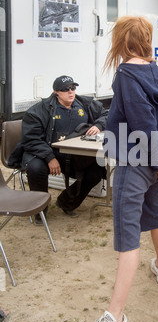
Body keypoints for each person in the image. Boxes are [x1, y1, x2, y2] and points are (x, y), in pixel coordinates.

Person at [76, 16, 158, 322]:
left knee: (127, 237)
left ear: (121, 40)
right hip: (150, 163)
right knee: (156, 215)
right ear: (147, 39)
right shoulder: (157, 71)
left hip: (135, 163)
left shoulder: (126, 74)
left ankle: (115, 318)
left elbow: (140, 123)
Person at [20, 75, 108, 224]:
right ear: (56, 92)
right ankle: (39, 211)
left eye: (73, 88)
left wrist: (98, 125)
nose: (71, 92)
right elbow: (31, 139)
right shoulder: (39, 110)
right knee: (35, 169)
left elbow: (106, 114)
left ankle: (67, 202)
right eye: (66, 89)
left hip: (74, 154)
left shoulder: (85, 104)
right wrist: (49, 158)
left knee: (96, 172)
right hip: (48, 153)